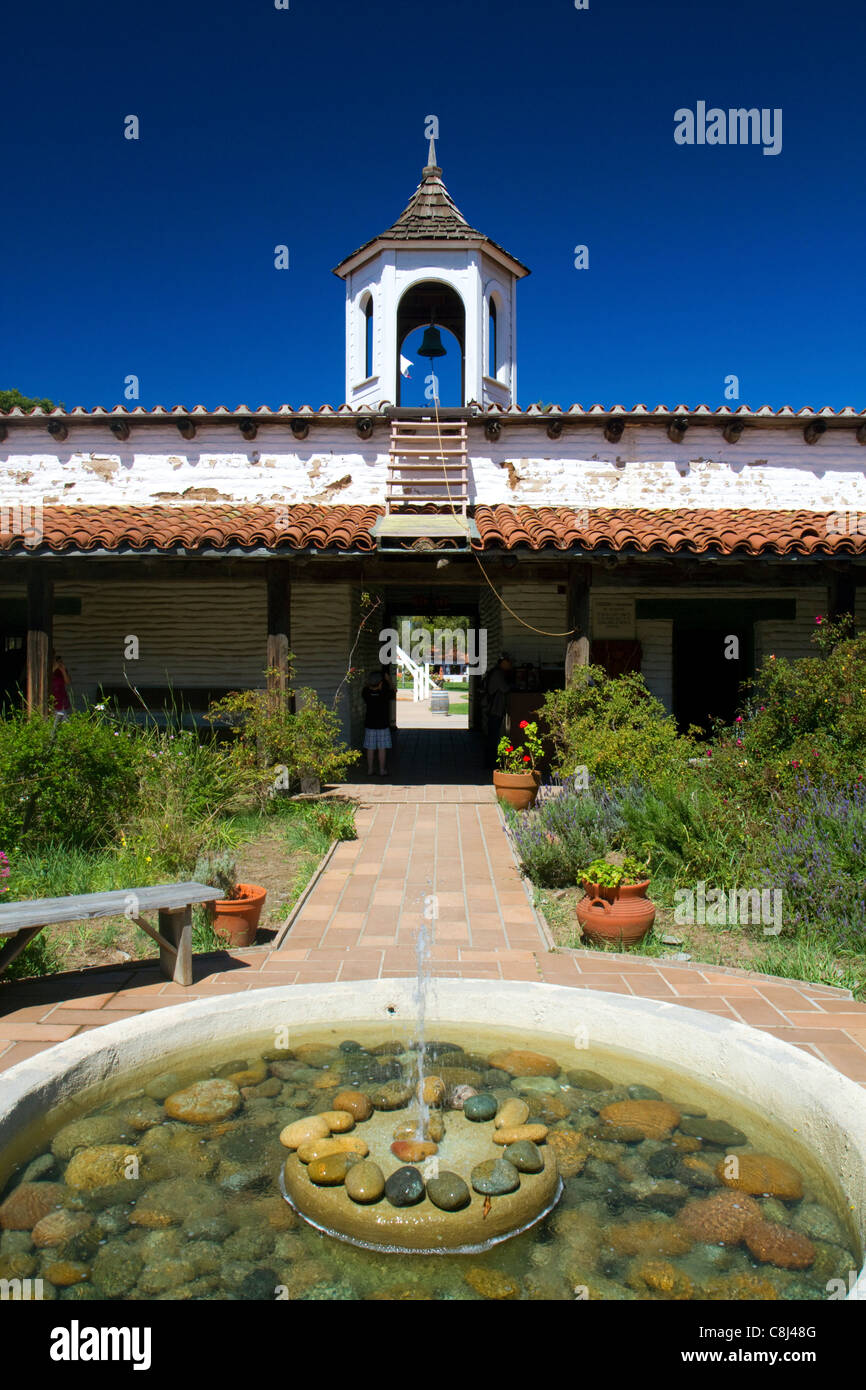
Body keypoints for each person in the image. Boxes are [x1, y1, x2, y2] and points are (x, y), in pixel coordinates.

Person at [362, 667, 394, 775]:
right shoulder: (384, 694)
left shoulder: (366, 693)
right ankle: (382, 770)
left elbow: (366, 687)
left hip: (370, 724)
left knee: (370, 748)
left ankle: (370, 769)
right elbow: (393, 690)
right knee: (382, 748)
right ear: (380, 683)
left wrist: (370, 682)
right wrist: (389, 681)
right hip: (383, 725)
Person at [483, 654, 513, 767]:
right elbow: (505, 688)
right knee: (493, 735)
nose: (510, 665)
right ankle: (490, 762)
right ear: (502, 663)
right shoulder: (498, 674)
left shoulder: (496, 672)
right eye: (508, 663)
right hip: (495, 709)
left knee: (492, 734)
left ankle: (490, 760)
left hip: (495, 709)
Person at [50, 651, 72, 719]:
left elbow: (68, 682)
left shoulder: (60, 671)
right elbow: (45, 679)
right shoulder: (47, 669)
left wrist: (63, 670)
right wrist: (54, 668)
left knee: (64, 720)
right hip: (51, 699)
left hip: (61, 699)